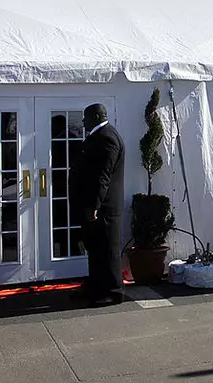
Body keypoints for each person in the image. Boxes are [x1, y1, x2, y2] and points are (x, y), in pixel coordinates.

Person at [73, 103, 126, 305]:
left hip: (104, 207)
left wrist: (94, 205)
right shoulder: (98, 136)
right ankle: (95, 286)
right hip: (94, 204)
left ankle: (113, 291)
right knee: (95, 248)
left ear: (96, 116)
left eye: (85, 117)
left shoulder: (107, 138)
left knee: (108, 250)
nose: (83, 122)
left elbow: (102, 175)